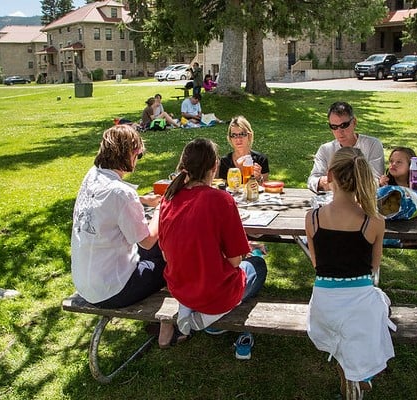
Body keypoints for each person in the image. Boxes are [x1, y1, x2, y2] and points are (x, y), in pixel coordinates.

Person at [158, 138, 268, 359]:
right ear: (215, 167)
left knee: (228, 263)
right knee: (258, 264)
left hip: (180, 284)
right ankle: (212, 317)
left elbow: (166, 252)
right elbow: (236, 260)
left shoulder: (168, 199)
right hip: (215, 292)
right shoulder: (221, 200)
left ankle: (194, 309)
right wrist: (248, 249)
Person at [305, 147, 394, 399]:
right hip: (359, 306)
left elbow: (316, 264)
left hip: (323, 308)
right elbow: (373, 268)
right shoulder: (374, 221)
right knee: (373, 309)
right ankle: (358, 373)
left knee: (351, 321)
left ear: (330, 175)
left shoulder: (312, 218)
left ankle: (350, 371)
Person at [71, 124, 166, 312]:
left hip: (86, 283)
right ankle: (175, 320)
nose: (138, 160)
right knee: (168, 255)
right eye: (138, 154)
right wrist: (160, 210)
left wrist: (143, 200)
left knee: (154, 250)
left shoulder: (92, 175)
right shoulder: (122, 193)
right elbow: (147, 241)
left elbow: (105, 203)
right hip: (113, 290)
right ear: (129, 153)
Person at [308, 101, 384, 193]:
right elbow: (312, 180)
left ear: (354, 122)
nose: (339, 131)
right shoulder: (325, 149)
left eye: (344, 125)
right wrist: (321, 182)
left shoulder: (372, 145)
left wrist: (336, 182)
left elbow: (375, 181)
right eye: (334, 126)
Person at [217, 115, 269, 183]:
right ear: (230, 138)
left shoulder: (261, 159)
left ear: (249, 136)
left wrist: (259, 178)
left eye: (242, 134)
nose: (238, 139)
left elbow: (265, 189)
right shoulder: (224, 162)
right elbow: (221, 188)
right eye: (234, 135)